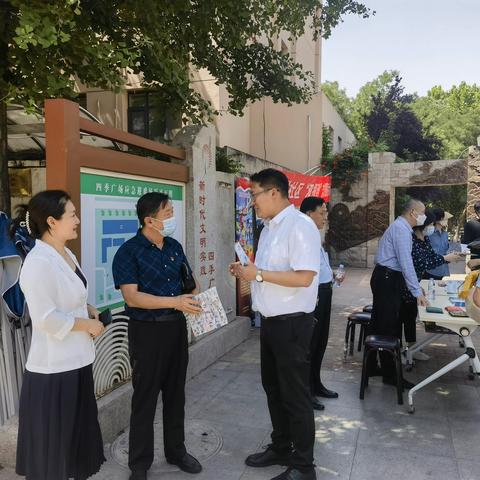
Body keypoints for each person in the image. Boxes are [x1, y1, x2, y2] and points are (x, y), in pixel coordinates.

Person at [230, 169, 320, 480]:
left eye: (254, 194)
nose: (252, 201)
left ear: (273, 193)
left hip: (293, 325)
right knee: (273, 389)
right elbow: (266, 271)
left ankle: (304, 466)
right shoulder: (268, 229)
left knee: (295, 394)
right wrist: (247, 271)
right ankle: (282, 446)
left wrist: (256, 274)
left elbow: (304, 276)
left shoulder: (300, 227)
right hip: (270, 323)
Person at [15, 190, 106, 480]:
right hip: (53, 372)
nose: (77, 220)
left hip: (77, 361)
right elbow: (45, 319)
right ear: (52, 222)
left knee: (75, 450)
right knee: (52, 459)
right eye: (72, 215)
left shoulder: (66, 253)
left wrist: (88, 308)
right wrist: (87, 325)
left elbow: (69, 298)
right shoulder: (38, 262)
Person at [112, 192, 202, 480]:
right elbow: (132, 297)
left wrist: (193, 299)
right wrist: (174, 302)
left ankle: (177, 451)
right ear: (149, 220)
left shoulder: (174, 246)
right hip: (146, 332)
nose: (172, 216)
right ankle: (139, 463)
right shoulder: (128, 252)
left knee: (176, 396)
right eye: (167, 212)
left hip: (176, 329)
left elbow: (190, 284)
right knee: (145, 398)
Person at [368, 198, 429, 388]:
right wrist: (416, 291)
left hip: (386, 277)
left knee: (380, 324)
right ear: (413, 212)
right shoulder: (402, 230)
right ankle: (390, 375)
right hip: (388, 279)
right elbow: (406, 263)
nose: (423, 217)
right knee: (388, 327)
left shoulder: (401, 228)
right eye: (422, 212)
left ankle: (374, 367)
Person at [399, 210, 461, 360]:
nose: (432, 227)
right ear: (424, 224)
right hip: (404, 283)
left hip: (416, 283)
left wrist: (447, 258)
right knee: (403, 316)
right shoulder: (411, 238)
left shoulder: (424, 238)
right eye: (432, 224)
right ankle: (399, 349)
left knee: (411, 315)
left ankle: (412, 348)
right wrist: (446, 258)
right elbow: (423, 262)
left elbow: (431, 256)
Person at [300, 196, 340, 411]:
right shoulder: (303, 236)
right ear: (308, 214)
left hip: (325, 291)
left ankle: (316, 384)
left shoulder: (316, 234)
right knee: (311, 344)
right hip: (314, 296)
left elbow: (320, 265)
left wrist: (332, 275)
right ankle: (306, 391)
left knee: (321, 341)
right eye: (322, 212)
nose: (325, 217)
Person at [425, 208, 452, 280]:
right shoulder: (429, 234)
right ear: (438, 220)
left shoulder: (445, 234)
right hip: (430, 271)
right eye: (445, 218)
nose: (447, 220)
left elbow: (446, 250)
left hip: (443, 270)